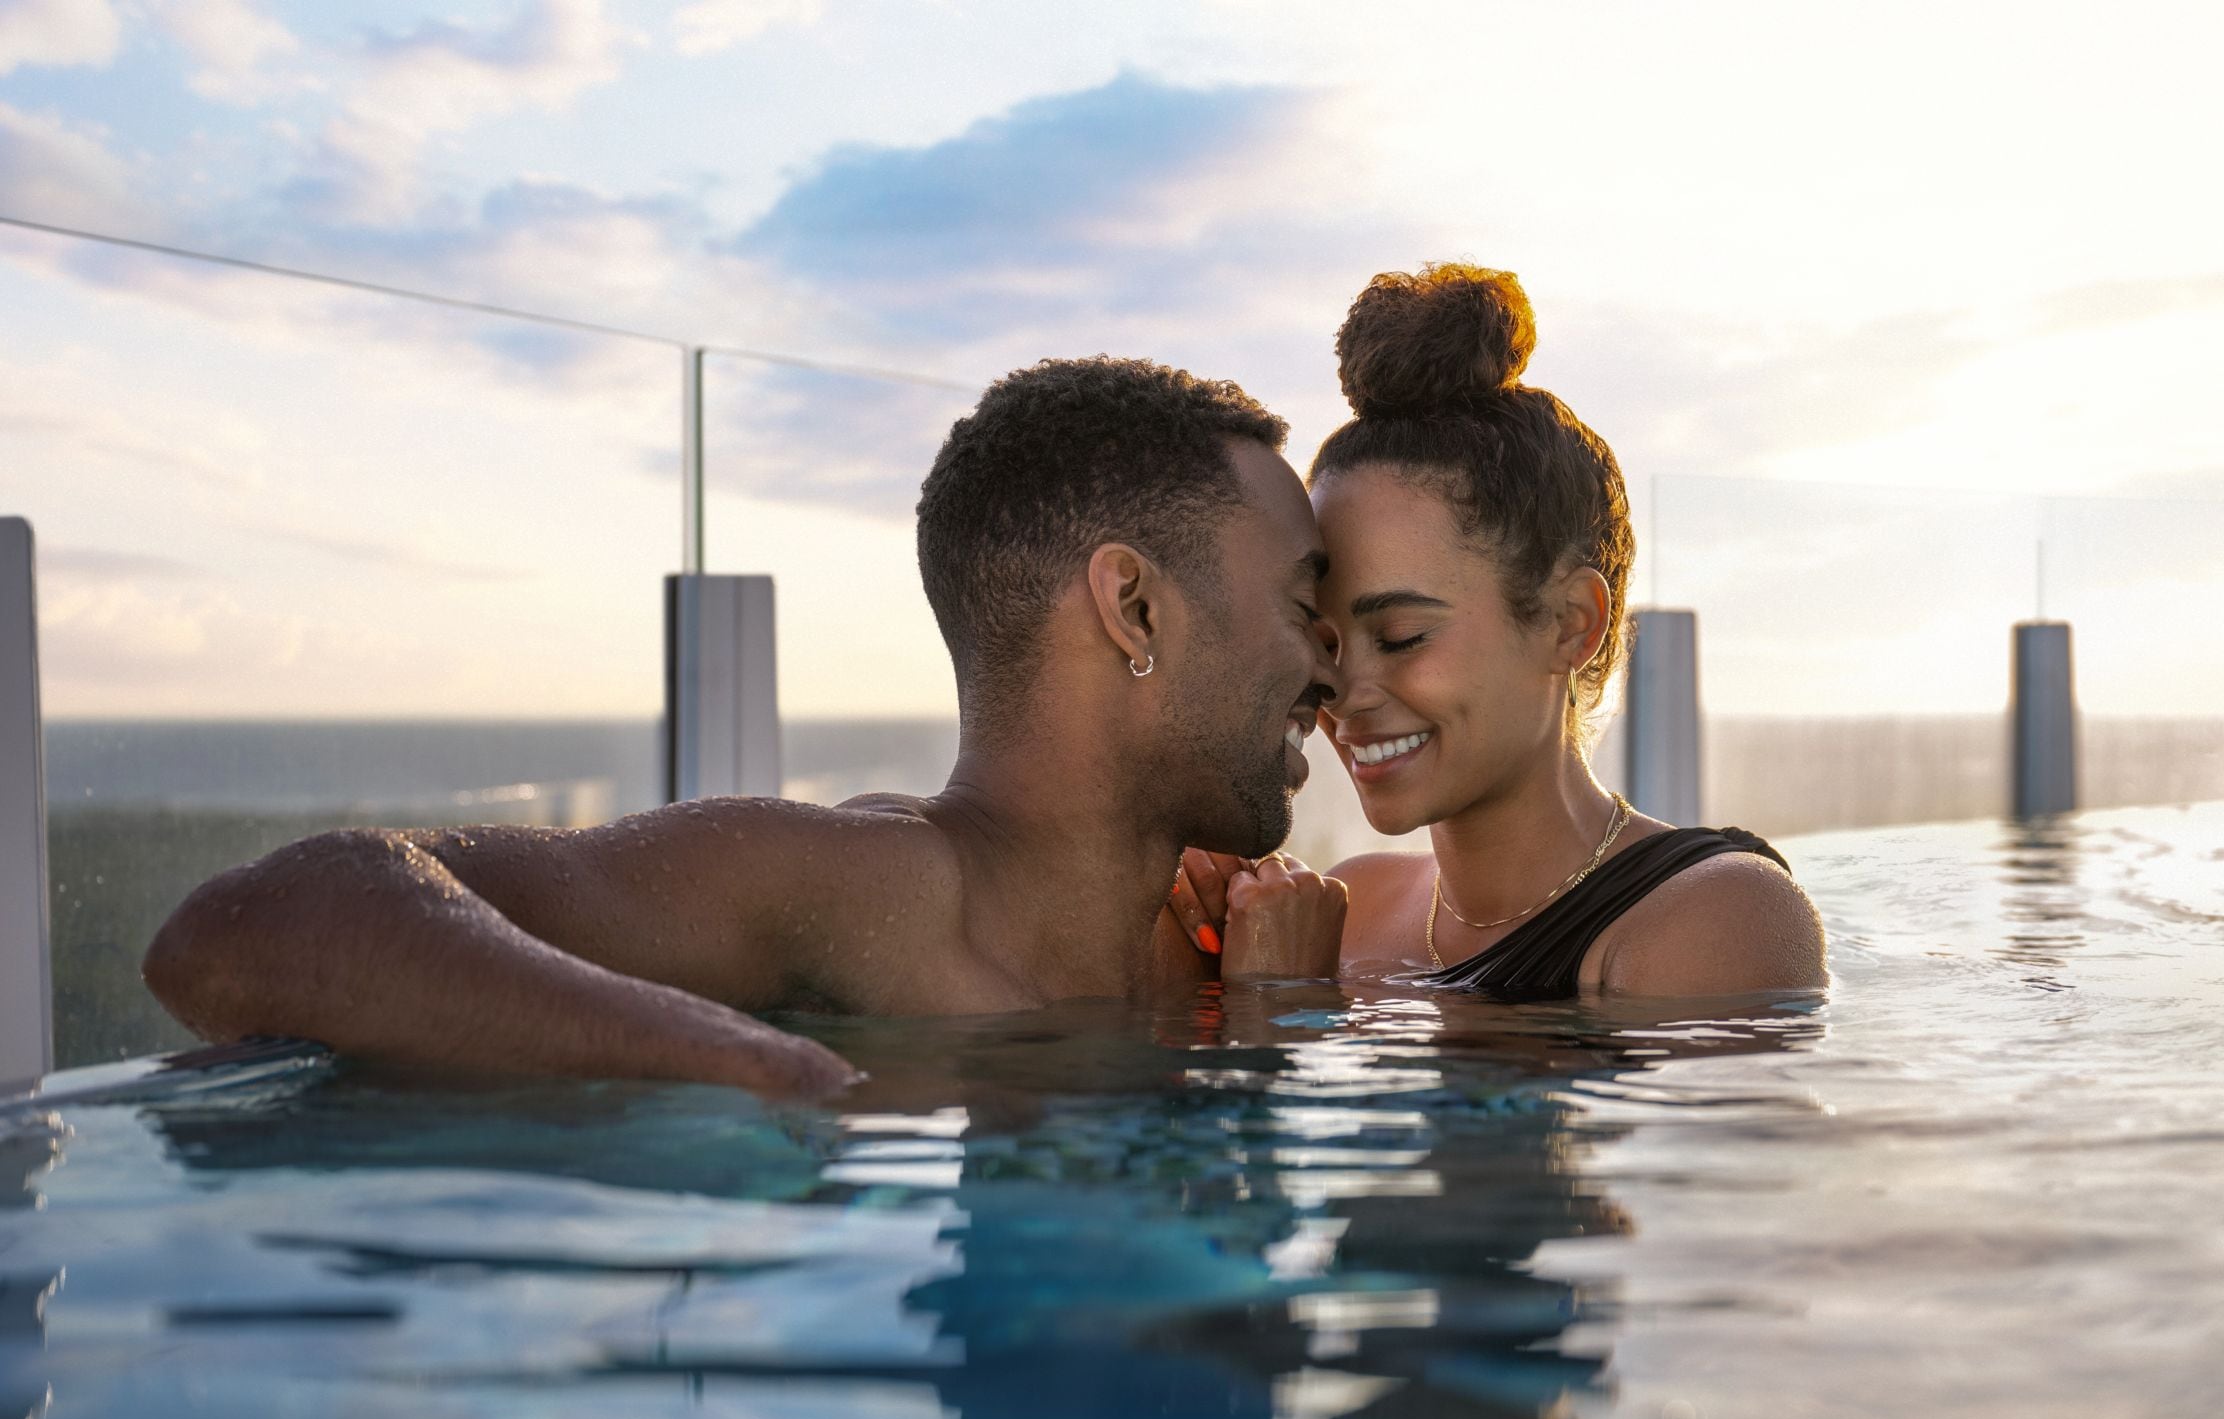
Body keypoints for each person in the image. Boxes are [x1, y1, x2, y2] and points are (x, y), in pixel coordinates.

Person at [143, 356, 1351, 1097]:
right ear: (1131, 605)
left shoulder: (1220, 954)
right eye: (1307, 606)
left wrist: (1267, 1026)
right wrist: (736, 1062)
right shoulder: (870, 890)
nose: (1330, 668)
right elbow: (246, 929)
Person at [1167, 264, 1825, 998]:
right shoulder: (1346, 909)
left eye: (1402, 636)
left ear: (1570, 624)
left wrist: (1276, 1010)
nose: (1341, 693)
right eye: (1324, 643)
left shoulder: (1716, 918)